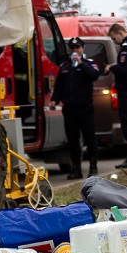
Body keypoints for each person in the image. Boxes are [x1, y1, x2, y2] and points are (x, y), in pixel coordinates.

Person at [51, 37, 101, 179]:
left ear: (82, 49)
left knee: (90, 139)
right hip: (70, 109)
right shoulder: (65, 67)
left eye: (77, 48)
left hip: (85, 108)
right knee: (72, 141)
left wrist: (80, 64)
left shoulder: (88, 64)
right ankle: (76, 169)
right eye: (72, 48)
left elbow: (94, 76)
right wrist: (55, 100)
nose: (75, 50)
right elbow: (59, 86)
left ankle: (93, 167)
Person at [105, 23, 127, 168]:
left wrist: (112, 67)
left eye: (114, 38)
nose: (115, 41)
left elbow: (124, 69)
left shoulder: (126, 48)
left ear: (120, 33)